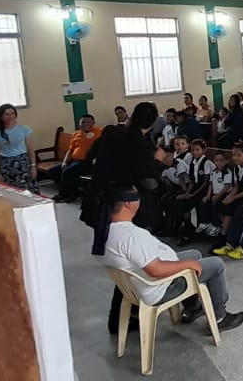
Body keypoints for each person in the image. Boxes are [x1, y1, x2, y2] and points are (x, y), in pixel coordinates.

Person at [99, 187, 243, 333]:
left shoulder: (107, 230)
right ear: (127, 204)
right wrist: (187, 264)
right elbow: (155, 269)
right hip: (160, 286)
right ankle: (220, 316)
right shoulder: (131, 236)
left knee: (194, 254)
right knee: (216, 265)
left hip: (139, 282)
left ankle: (192, 306)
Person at [83, 102, 169, 334]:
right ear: (152, 123)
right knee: (131, 262)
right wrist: (158, 160)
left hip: (100, 202)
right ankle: (126, 314)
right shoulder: (139, 145)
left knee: (120, 261)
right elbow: (149, 181)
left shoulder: (112, 133)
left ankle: (122, 315)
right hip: (125, 207)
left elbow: (92, 156)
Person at [51, 114, 101, 203]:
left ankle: (67, 194)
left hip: (87, 162)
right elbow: (70, 150)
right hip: (74, 160)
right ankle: (74, 191)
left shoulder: (99, 133)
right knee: (53, 171)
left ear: (93, 123)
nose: (86, 124)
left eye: (89, 122)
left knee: (68, 172)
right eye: (83, 122)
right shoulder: (77, 134)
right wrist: (65, 162)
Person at [0, 104, 36, 193]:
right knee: (11, 191)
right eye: (6, 114)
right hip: (6, 165)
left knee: (27, 190)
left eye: (12, 113)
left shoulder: (24, 129)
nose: (10, 116)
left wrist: (33, 166)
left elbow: (30, 148)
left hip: (22, 163)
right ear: (1, 116)